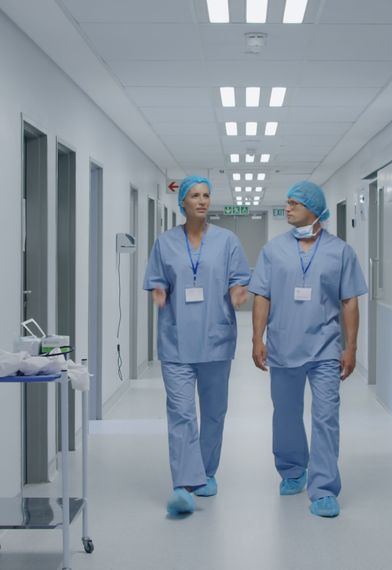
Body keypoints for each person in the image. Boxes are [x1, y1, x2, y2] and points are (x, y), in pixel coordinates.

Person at [248, 181, 368, 518]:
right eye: (286, 203)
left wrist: (352, 347)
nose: (287, 208)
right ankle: (292, 470)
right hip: (284, 345)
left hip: (326, 348)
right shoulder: (273, 251)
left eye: (294, 203)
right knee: (285, 415)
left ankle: (325, 489)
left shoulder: (341, 252)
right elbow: (262, 296)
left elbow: (349, 301)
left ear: (314, 209)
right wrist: (257, 338)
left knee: (326, 418)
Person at [143, 176, 251, 517]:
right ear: (183, 203)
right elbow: (157, 278)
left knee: (214, 412)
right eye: (195, 195)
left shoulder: (227, 241)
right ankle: (184, 484)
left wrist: (237, 291)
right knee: (181, 413)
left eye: (206, 195)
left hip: (216, 339)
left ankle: (206, 471)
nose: (202, 201)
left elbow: (238, 277)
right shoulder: (165, 243)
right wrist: (158, 291)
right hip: (176, 340)